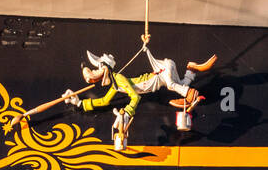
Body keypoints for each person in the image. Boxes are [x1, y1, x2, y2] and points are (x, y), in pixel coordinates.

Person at [63, 44, 216, 149]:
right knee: (181, 82)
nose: (95, 72)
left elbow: (135, 97)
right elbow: (104, 101)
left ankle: (189, 94)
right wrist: (79, 103)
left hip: (161, 73)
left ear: (105, 68)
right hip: (165, 72)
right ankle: (191, 69)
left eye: (98, 68)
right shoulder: (116, 84)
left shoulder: (120, 79)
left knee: (171, 85)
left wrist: (128, 113)